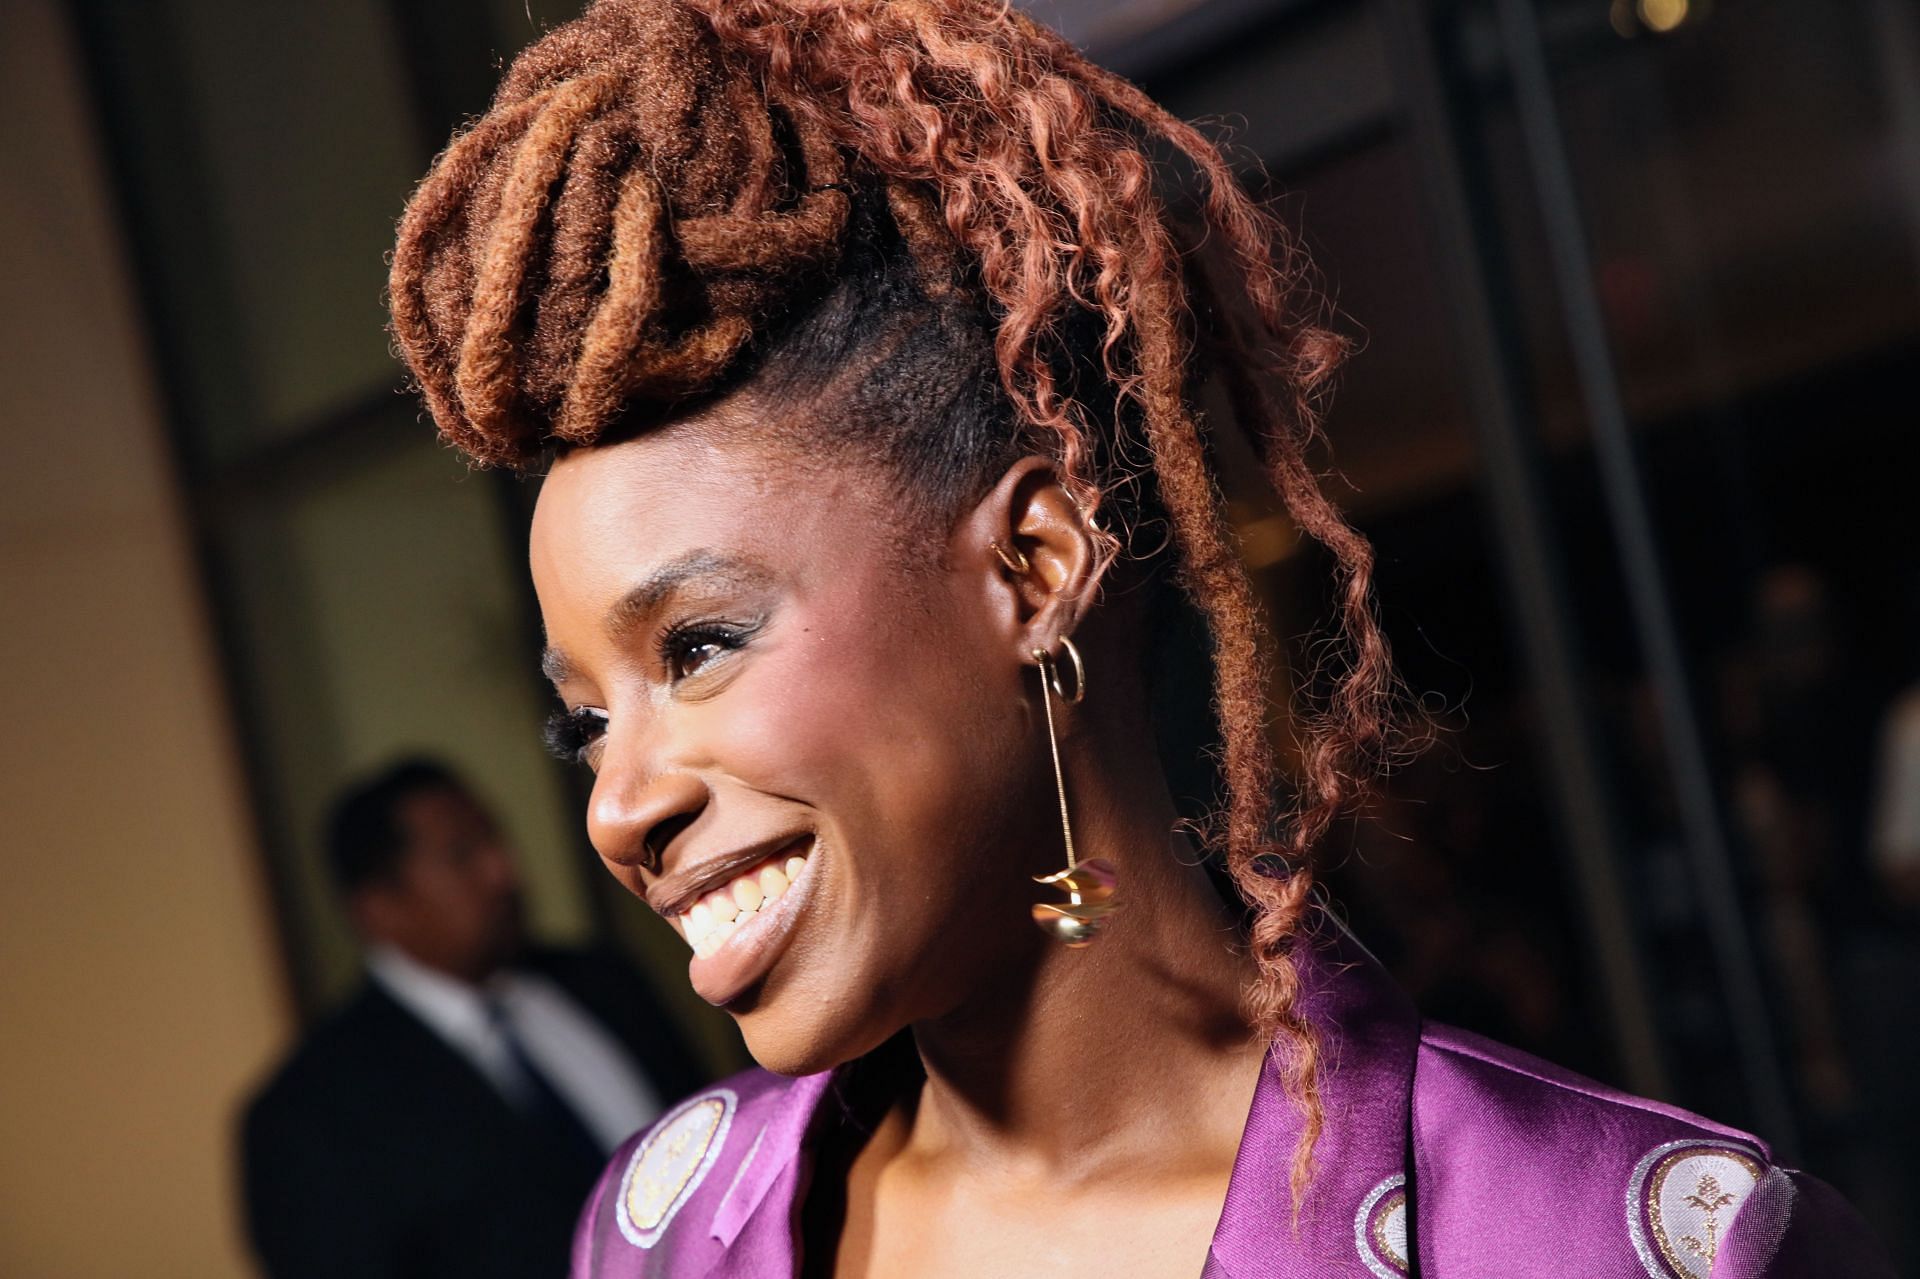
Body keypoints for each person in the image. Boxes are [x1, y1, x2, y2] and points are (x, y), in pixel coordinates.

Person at [383, 1, 1894, 1274]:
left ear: (1034, 567)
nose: (616, 802)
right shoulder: (661, 1234)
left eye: (698, 644)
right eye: (585, 715)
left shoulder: (1588, 1235)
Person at [240, 757, 706, 1279]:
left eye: (495, 840)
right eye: (461, 855)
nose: (504, 871)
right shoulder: (309, 1116)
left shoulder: (605, 983)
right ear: (381, 907)